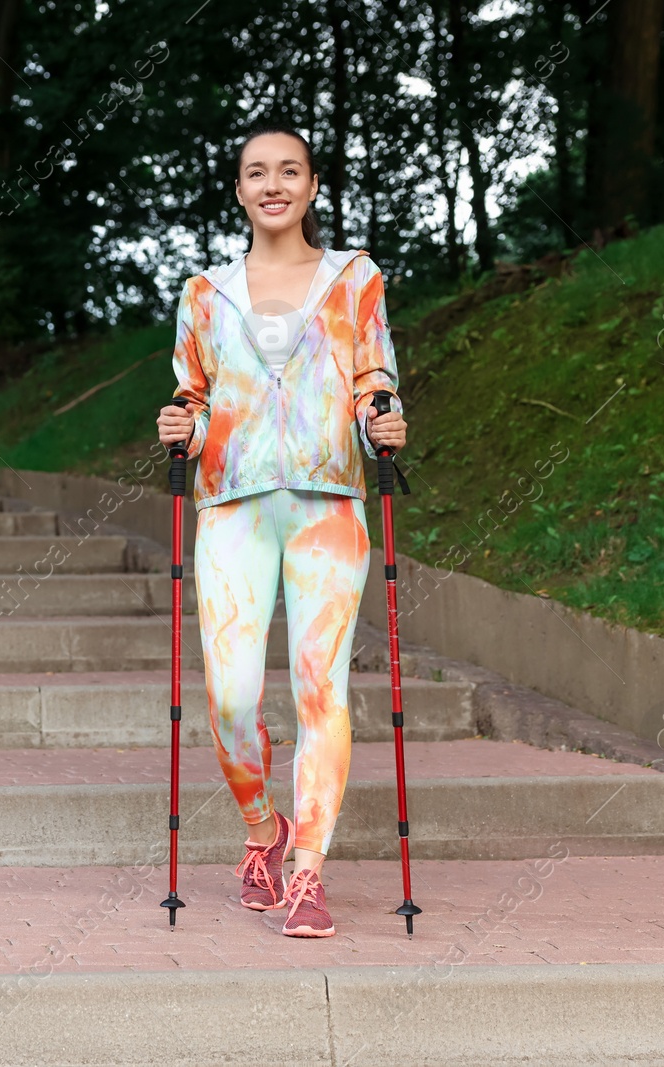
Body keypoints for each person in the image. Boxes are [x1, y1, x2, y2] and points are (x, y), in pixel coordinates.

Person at [156, 124, 407, 938]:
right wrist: (181, 425)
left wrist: (384, 419)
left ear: (312, 185)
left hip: (328, 503)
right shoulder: (205, 292)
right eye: (257, 173)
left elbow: (374, 376)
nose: (273, 184)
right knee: (230, 699)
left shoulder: (353, 278)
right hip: (231, 503)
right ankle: (265, 830)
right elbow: (193, 396)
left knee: (319, 688)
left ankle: (309, 874)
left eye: (289, 171)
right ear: (238, 189)